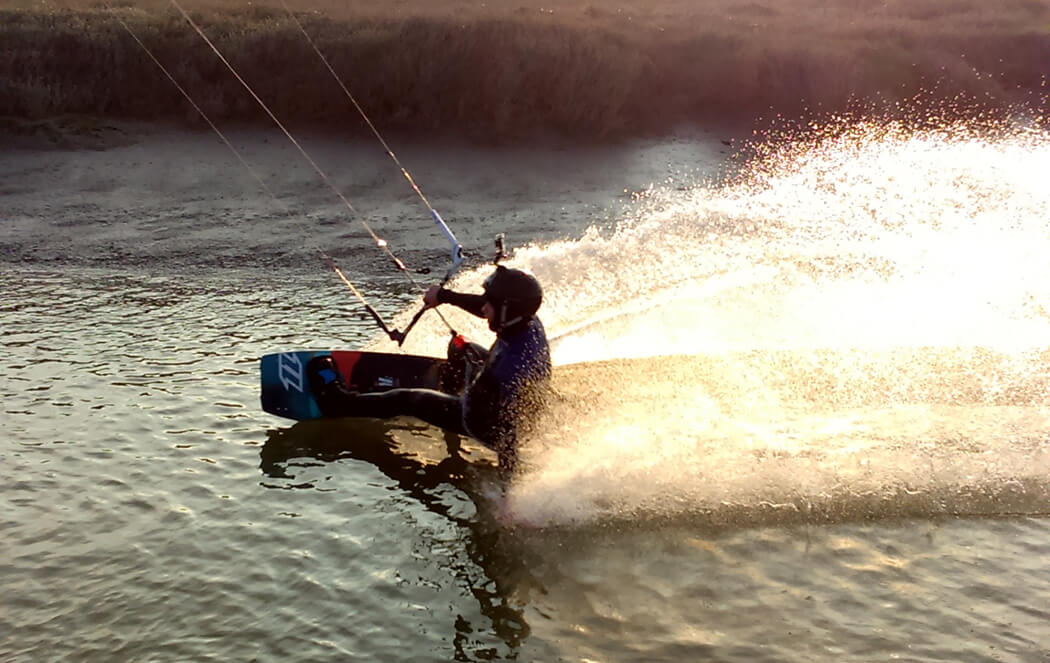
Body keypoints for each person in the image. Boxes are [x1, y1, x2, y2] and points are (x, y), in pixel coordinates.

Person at [306, 265, 552, 474]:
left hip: (480, 418)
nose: (485, 308)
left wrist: (509, 496)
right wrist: (444, 296)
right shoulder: (525, 319)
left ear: (507, 310)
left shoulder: (505, 373)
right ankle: (450, 387)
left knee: (406, 399)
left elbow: (507, 435)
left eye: (491, 304)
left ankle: (338, 401)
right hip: (506, 394)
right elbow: (486, 306)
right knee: (459, 348)